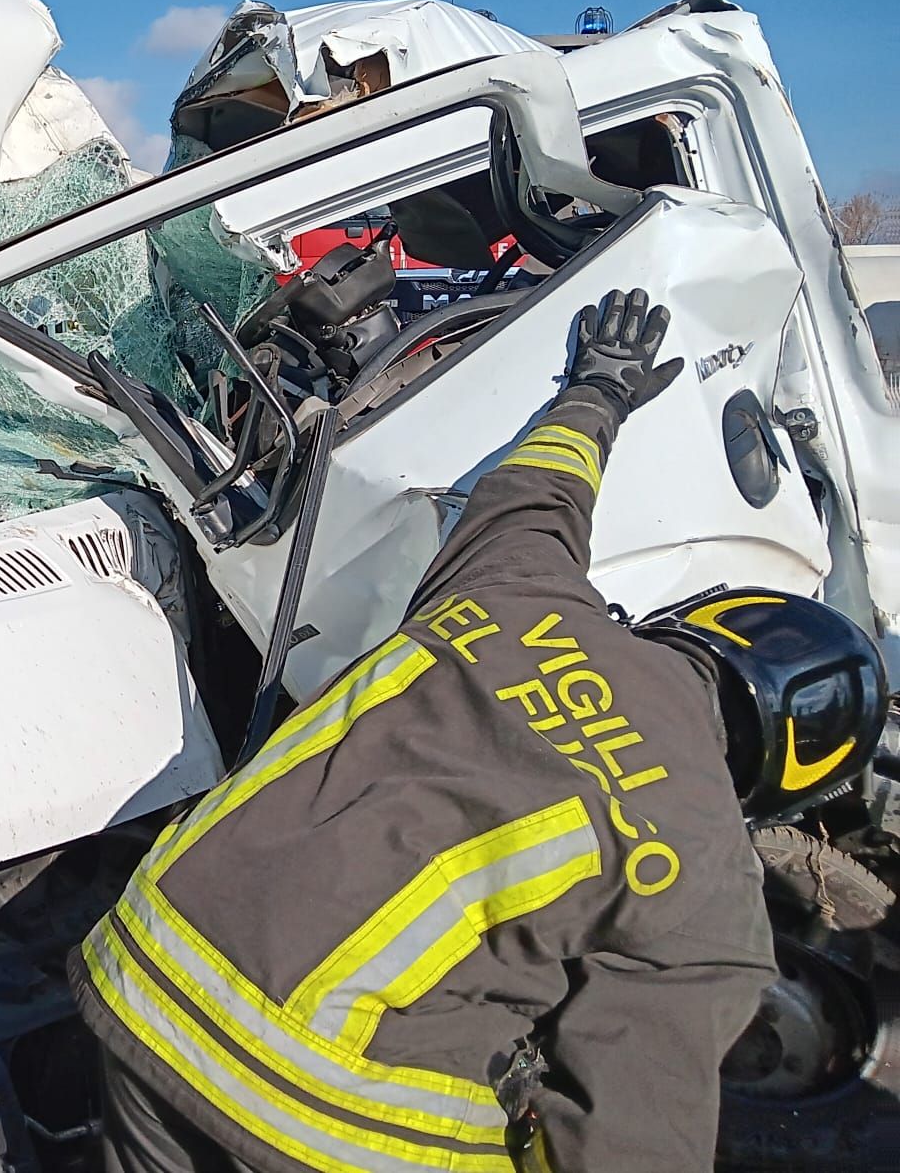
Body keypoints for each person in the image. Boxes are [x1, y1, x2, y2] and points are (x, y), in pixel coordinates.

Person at [75, 288, 889, 1173]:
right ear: (774, 773)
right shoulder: (712, 884)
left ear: (701, 621)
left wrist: (599, 388)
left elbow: (540, 488)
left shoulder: (519, 592)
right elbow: (628, 1136)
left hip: (151, 963)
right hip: (320, 1116)